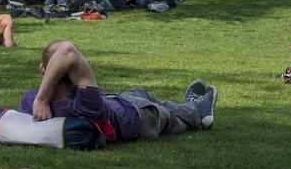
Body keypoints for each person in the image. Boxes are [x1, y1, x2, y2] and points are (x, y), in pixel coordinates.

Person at [17, 40, 217, 142]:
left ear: (42, 69)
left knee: (140, 92)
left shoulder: (29, 100)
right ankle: (198, 108)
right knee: (178, 115)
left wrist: (41, 99)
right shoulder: (87, 103)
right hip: (142, 117)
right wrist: (42, 99)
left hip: (119, 100)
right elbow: (68, 49)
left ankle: (191, 102)